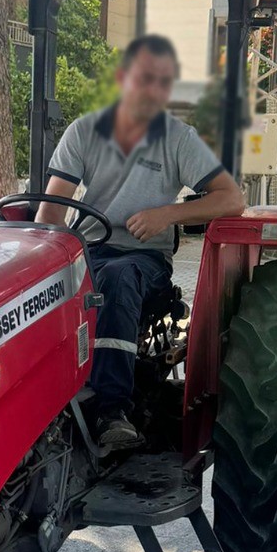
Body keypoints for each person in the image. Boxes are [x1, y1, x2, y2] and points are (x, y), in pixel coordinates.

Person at [37, 33, 245, 451]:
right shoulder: (85, 132)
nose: (153, 90)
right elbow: (51, 213)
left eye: (163, 82)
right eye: (145, 78)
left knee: (118, 276)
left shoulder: (177, 138)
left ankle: (111, 408)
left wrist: (167, 214)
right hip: (89, 252)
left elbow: (232, 199)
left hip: (144, 261)